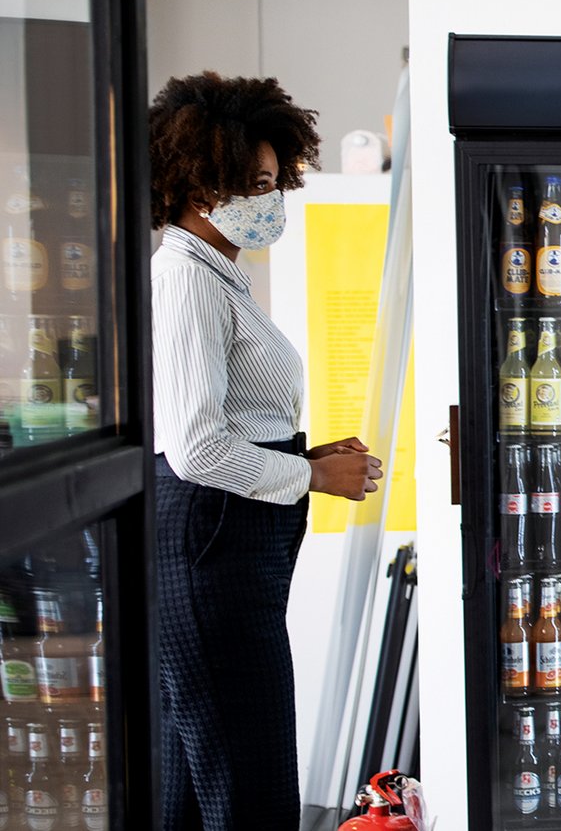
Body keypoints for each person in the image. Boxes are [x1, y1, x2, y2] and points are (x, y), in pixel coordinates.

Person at [147, 72, 380, 830]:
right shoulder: (186, 279)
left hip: (229, 534)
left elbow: (232, 419)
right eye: (253, 184)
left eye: (276, 183)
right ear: (196, 182)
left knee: (197, 771)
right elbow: (195, 447)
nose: (270, 203)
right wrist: (311, 473)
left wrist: (306, 452)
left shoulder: (219, 278)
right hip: (214, 537)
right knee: (252, 774)